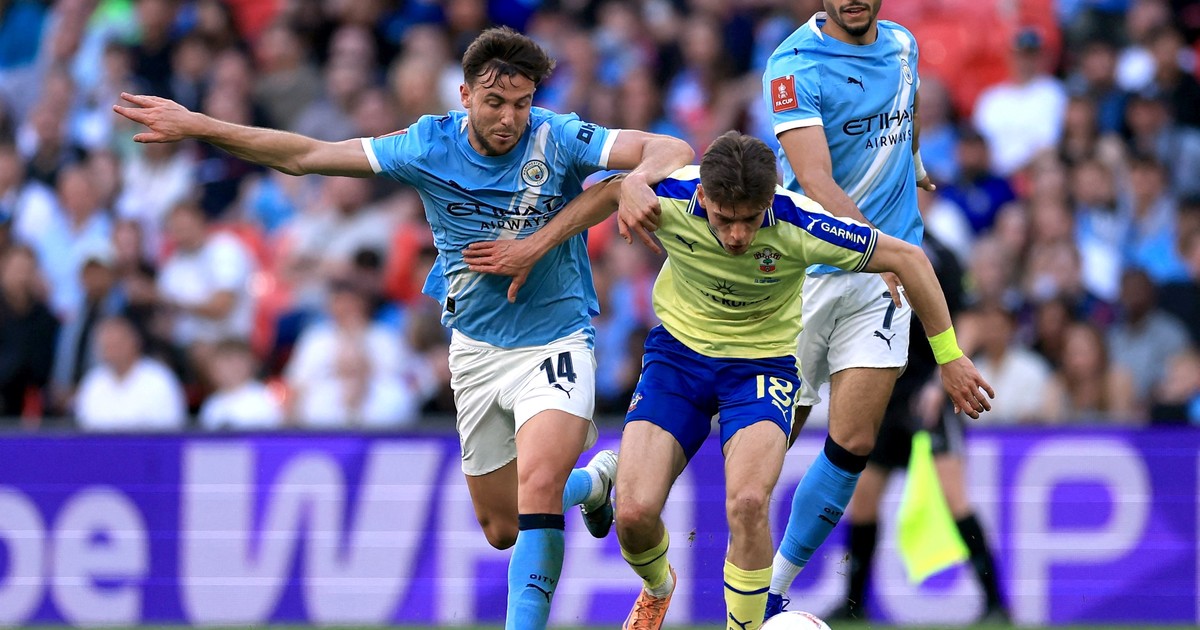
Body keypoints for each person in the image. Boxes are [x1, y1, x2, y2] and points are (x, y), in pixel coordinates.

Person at [114, 26, 695, 630]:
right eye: (495, 102)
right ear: (465, 95)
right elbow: (305, 156)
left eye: (521, 104)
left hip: (557, 336)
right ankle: (595, 483)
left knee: (540, 483)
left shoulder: (556, 135)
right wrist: (200, 125)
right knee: (502, 527)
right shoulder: (426, 145)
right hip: (476, 348)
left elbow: (671, 148)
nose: (509, 119)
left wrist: (594, 206)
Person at [464, 131, 993, 630]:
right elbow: (605, 194)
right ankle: (658, 587)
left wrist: (949, 357)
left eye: (749, 220)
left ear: (770, 200)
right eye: (724, 219)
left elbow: (908, 257)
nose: (737, 235)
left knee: (748, 503)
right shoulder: (669, 197)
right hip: (677, 360)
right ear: (703, 196)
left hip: (761, 368)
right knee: (635, 514)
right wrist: (537, 245)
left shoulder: (801, 222)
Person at [760, 1, 971, 618]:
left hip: (882, 281)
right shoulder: (794, 64)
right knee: (767, 446)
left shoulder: (903, 45)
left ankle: (772, 591)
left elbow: (906, 112)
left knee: (853, 438)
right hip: (807, 275)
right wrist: (875, 250)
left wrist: (915, 163)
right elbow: (816, 180)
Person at [825, 235, 1010, 623]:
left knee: (954, 498)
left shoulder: (941, 253)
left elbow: (970, 318)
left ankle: (995, 603)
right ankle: (854, 605)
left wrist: (943, 377)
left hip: (930, 391)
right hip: (886, 390)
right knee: (864, 498)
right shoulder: (869, 240)